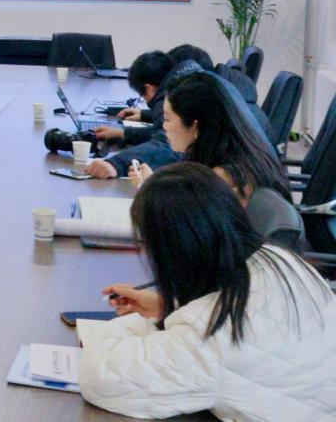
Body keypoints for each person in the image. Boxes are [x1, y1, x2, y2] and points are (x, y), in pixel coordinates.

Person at [79, 164, 336, 420]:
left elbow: (99, 378)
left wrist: (120, 328)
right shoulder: (278, 258)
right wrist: (169, 306)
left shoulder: (210, 338)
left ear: (174, 250)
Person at [146, 71, 290, 199]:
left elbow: (190, 218)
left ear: (196, 125)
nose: (164, 126)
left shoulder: (225, 178)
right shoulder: (225, 152)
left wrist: (148, 191)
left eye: (167, 119)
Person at [86, 45, 211, 179]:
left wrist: (116, 164)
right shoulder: (196, 80)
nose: (165, 124)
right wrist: (138, 120)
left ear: (149, 88)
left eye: (142, 96)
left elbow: (167, 144)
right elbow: (165, 131)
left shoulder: (174, 95)